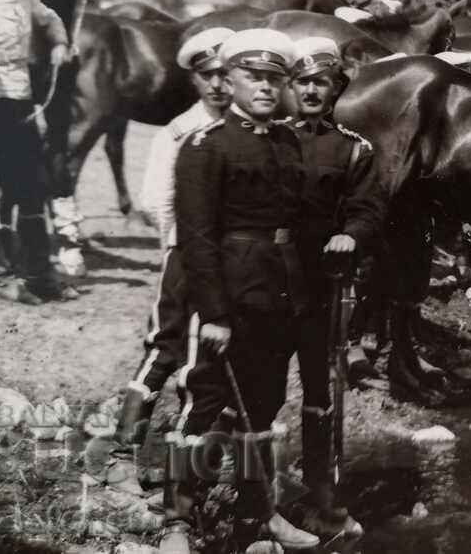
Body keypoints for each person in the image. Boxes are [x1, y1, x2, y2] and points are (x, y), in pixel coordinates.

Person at [162, 28, 318, 554]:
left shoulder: (288, 142)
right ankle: (178, 520)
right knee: (205, 404)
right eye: (254, 76)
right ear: (228, 81)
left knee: (262, 406)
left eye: (275, 78)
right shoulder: (205, 146)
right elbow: (196, 238)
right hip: (228, 295)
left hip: (278, 293)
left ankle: (258, 514)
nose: (266, 87)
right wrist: (214, 313)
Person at [98, 28, 234, 497]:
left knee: (217, 360)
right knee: (165, 348)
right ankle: (121, 455)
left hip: (232, 262)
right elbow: (157, 202)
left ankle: (199, 467)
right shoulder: (177, 132)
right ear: (194, 80)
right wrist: (175, 255)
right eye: (206, 75)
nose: (217, 85)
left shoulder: (243, 131)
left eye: (225, 74)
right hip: (186, 255)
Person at [287, 37, 382, 539]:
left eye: (320, 82)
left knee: (319, 390)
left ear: (335, 89)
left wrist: (352, 235)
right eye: (302, 81)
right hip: (264, 283)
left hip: (318, 284)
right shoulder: (269, 140)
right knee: (251, 389)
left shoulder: (352, 149)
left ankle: (318, 491)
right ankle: (247, 492)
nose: (310, 91)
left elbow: (367, 210)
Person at [0, 0, 76, 304]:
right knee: (4, 189)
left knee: (34, 186)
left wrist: (59, 43)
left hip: (23, 101)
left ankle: (38, 275)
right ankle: (4, 277)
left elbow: (51, 19)